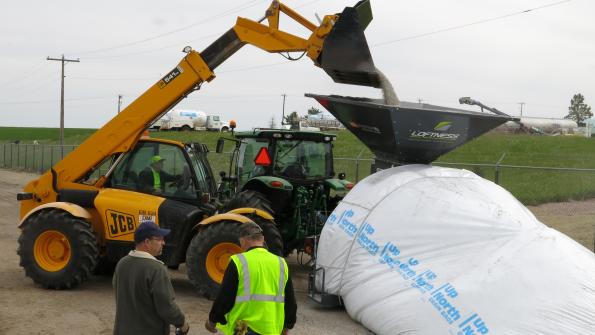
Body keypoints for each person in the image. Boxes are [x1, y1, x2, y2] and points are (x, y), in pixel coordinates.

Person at [205, 221, 297, 335]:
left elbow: (225, 297)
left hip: (244, 329)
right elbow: (290, 300)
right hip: (272, 329)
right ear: (262, 239)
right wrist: (288, 326)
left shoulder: (238, 261)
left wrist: (213, 320)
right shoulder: (281, 263)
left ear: (243, 240)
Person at [112, 221, 190, 335]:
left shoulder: (122, 263)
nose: (163, 243)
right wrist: (182, 323)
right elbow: (166, 306)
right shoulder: (156, 269)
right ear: (147, 242)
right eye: (159, 239)